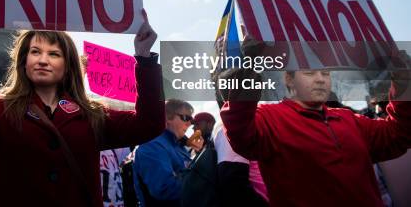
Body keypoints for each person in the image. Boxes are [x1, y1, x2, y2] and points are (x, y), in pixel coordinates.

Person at [0, 5, 164, 206]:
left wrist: (144, 58)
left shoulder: (92, 115)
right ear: (24, 62)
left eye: (54, 54)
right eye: (35, 52)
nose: (43, 60)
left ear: (69, 65)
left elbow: (149, 124)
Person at [220, 48, 411, 207]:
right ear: (289, 79)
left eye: (325, 73)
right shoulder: (268, 116)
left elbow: (398, 135)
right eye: (309, 73)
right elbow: (242, 136)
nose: (320, 79)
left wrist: (404, 86)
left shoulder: (349, 119)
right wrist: (243, 87)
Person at [133, 99, 203, 206]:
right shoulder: (152, 145)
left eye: (191, 119)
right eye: (186, 118)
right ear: (167, 117)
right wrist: (203, 182)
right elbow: (165, 189)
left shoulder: (180, 147)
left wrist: (199, 154)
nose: (189, 123)